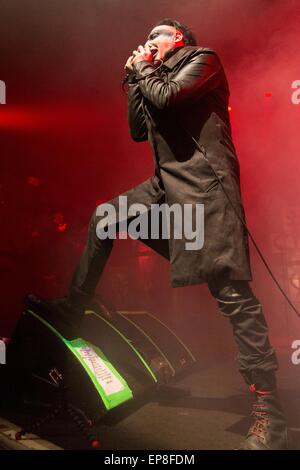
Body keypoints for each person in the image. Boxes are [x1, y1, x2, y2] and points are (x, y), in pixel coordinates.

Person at [26, 18, 289, 450]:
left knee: (234, 299)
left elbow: (168, 100)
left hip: (206, 193)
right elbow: (137, 129)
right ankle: (73, 309)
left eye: (154, 36)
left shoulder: (203, 61)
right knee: (107, 217)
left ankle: (270, 415)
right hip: (167, 189)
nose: (145, 42)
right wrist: (134, 78)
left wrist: (144, 70)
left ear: (177, 40)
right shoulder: (154, 77)